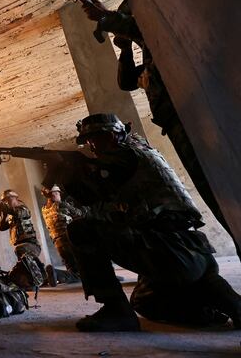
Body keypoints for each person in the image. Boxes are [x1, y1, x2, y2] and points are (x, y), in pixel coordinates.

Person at [83, 0, 240, 260]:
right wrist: (125, 49)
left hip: (198, 120)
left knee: (227, 189)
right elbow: (126, 82)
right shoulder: (150, 58)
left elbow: (145, 32)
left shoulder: (163, 41)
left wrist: (110, 19)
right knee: (218, 198)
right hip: (178, 125)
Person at [67, 113, 241, 331]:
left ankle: (115, 311)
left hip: (170, 252)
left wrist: (67, 173)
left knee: (81, 230)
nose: (92, 147)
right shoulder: (142, 152)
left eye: (94, 140)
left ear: (111, 136)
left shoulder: (123, 157)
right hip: (193, 253)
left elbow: (89, 195)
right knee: (145, 301)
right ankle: (222, 306)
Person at [0, 190, 68, 288]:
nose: (6, 202)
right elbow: (2, 227)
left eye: (8, 199)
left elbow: (15, 212)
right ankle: (47, 276)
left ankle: (43, 277)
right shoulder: (11, 214)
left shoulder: (23, 209)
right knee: (20, 274)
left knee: (21, 251)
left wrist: (2, 205)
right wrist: (3, 213)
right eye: (5, 201)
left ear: (15, 198)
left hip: (31, 245)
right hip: (22, 247)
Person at [41, 185, 81, 284]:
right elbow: (79, 213)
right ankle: (57, 273)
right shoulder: (61, 205)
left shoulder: (44, 209)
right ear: (54, 194)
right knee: (80, 272)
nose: (59, 195)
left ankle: (52, 275)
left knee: (70, 267)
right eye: (58, 193)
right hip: (68, 238)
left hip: (57, 241)